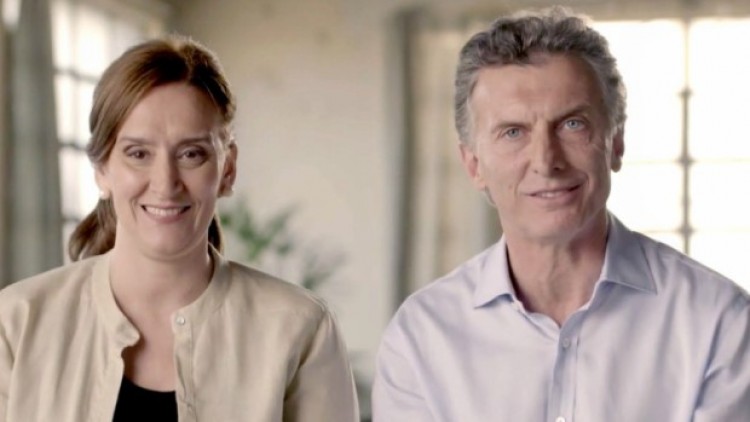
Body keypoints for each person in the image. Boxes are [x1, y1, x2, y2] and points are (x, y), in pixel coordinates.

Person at [373, 7, 750, 421]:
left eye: (572, 124)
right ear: (474, 164)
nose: (546, 161)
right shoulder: (421, 336)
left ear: (616, 143)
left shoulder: (718, 320)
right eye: (513, 132)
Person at [0, 35, 359, 421]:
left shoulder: (299, 329)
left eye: (191, 154)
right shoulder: (16, 324)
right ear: (102, 170)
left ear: (228, 169)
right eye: (138, 153)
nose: (165, 183)